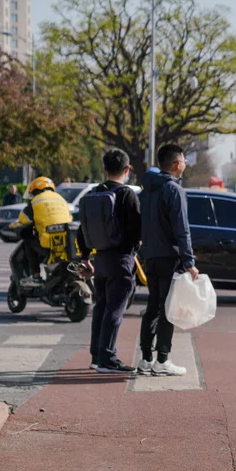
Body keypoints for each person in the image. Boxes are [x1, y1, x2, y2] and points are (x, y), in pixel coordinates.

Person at [77, 150, 142, 374]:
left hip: (100, 258)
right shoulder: (128, 195)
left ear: (104, 169)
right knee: (115, 309)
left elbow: (82, 229)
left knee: (101, 307)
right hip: (121, 259)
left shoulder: (93, 193)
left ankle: (97, 355)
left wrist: (85, 257)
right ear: (127, 170)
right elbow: (136, 229)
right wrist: (134, 250)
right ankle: (108, 358)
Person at [138, 144, 199, 377]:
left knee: (152, 307)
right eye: (183, 160)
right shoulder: (174, 190)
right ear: (176, 164)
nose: (185, 164)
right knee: (168, 310)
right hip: (169, 258)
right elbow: (182, 229)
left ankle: (145, 359)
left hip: (151, 257)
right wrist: (189, 261)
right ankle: (162, 360)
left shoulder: (147, 191)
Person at [16, 177, 72, 286]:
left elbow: (23, 219)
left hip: (49, 243)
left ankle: (36, 276)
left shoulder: (36, 201)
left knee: (28, 241)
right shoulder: (61, 199)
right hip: (66, 243)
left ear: (37, 190)